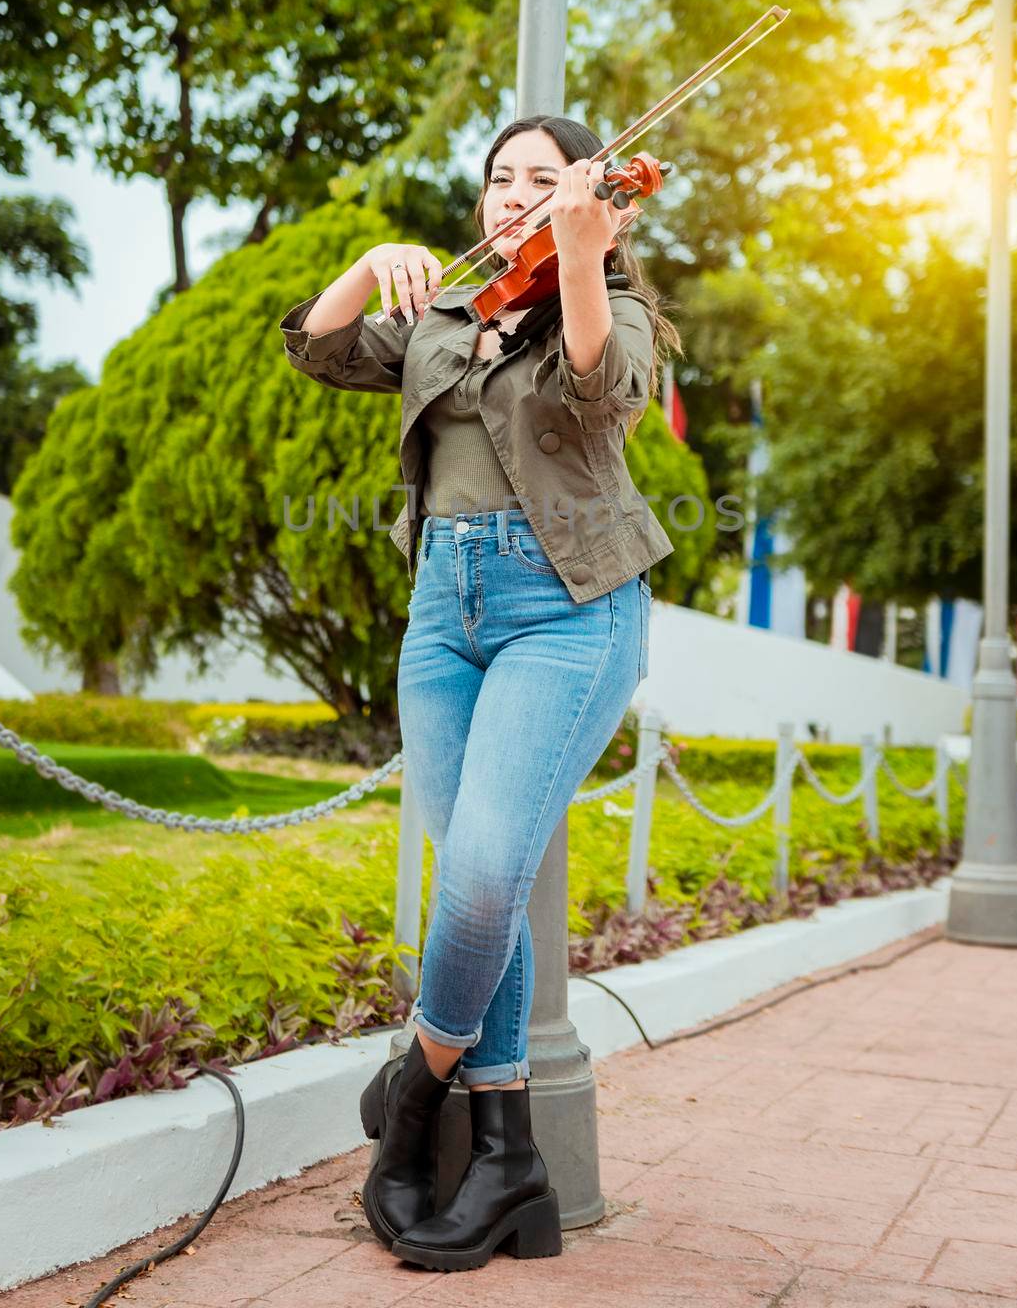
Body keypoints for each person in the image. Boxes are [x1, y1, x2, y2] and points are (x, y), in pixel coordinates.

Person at [278, 114, 681, 1272]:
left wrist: (585, 252)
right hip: (441, 618)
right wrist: (369, 266)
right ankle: (508, 1161)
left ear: (589, 196)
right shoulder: (444, 316)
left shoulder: (615, 305)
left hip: (569, 606)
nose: (514, 195)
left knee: (487, 872)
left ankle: (410, 1099)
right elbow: (314, 346)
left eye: (542, 181)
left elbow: (602, 394)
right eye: (500, 178)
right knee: (478, 895)